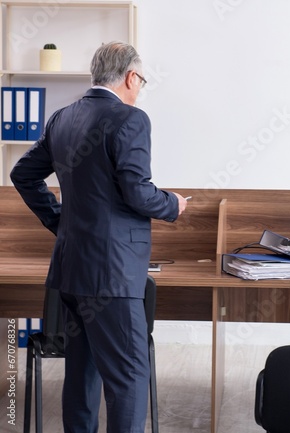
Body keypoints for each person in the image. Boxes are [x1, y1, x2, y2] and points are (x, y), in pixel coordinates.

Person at [10, 41, 189, 433]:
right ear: (130, 77)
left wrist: (61, 221)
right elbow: (137, 192)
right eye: (141, 80)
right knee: (128, 378)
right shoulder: (131, 119)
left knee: (83, 375)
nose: (140, 88)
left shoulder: (63, 118)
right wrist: (173, 205)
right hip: (112, 276)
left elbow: (22, 174)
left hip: (72, 269)